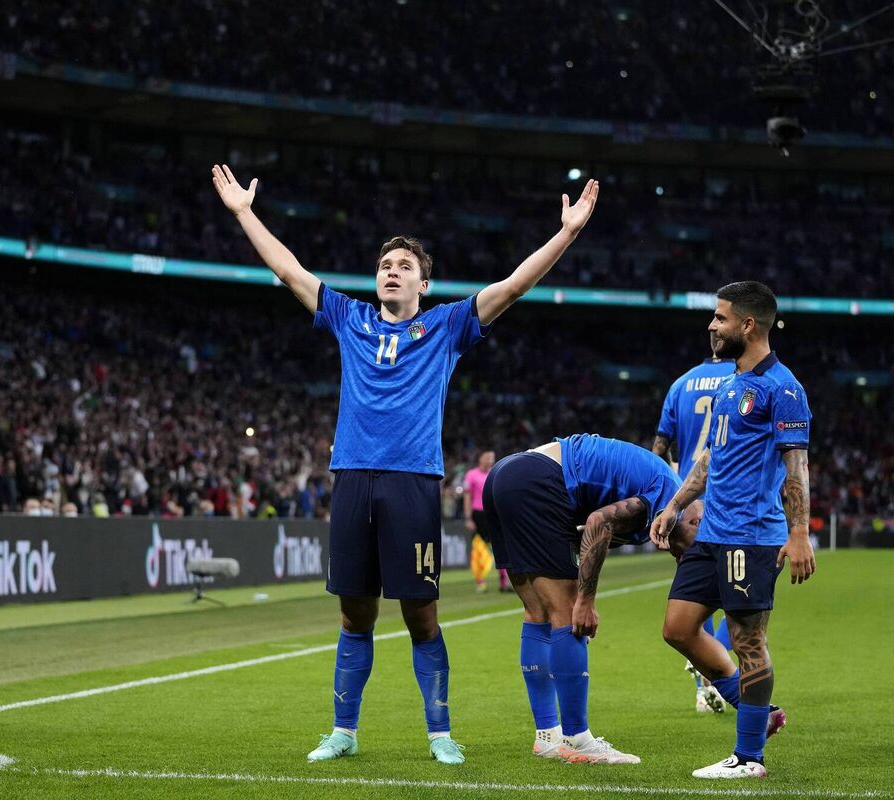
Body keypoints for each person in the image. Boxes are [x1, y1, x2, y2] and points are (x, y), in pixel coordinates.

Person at [211, 163, 599, 765]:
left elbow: (513, 287)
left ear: (423, 283)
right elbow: (288, 270)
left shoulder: (446, 326)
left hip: (412, 484)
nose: (391, 271)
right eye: (384, 265)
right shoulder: (349, 318)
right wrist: (244, 214)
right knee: (354, 612)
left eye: (403, 266)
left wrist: (567, 233)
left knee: (421, 614)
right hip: (352, 479)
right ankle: (343, 731)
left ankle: (439, 733)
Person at [652, 281, 815, 780]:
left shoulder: (783, 388)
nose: (712, 326)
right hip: (711, 533)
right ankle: (758, 714)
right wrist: (675, 505)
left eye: (720, 318)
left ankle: (749, 758)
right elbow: (709, 460)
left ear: (747, 325)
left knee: (748, 642)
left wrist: (800, 532)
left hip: (751, 536)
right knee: (678, 628)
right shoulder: (730, 384)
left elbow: (796, 467)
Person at [484, 433, 698, 765]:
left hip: (505, 474)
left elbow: (587, 531)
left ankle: (547, 737)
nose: (679, 557)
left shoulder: (663, 488)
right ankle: (578, 739)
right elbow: (599, 522)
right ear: (696, 520)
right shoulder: (669, 495)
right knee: (569, 613)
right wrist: (585, 600)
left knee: (537, 612)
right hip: (539, 478)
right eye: (690, 553)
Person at [653, 337, 737, 713]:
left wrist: (669, 496)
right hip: (725, 497)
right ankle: (715, 665)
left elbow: (659, 449)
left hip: (685, 503)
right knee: (739, 592)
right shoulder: (741, 379)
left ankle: (705, 682)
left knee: (696, 595)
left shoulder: (680, 384)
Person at [462, 450, 504, 593]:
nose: (490, 460)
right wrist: (468, 518)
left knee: (499, 546)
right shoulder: (471, 475)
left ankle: (503, 582)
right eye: (488, 457)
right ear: (480, 458)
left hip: (493, 513)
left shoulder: (495, 473)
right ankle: (481, 582)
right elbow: (467, 497)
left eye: (492, 457)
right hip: (478, 515)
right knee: (478, 549)